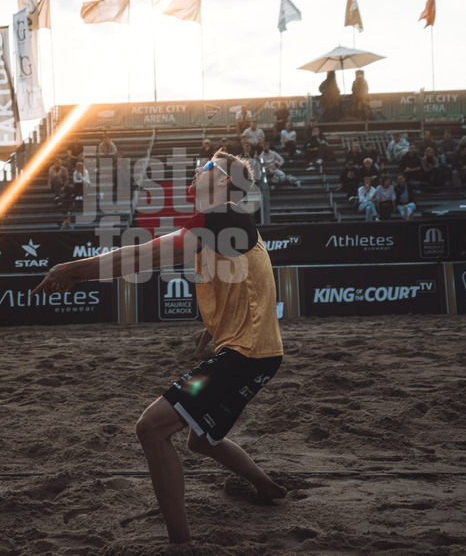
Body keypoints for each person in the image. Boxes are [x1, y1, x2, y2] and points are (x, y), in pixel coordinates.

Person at [32, 151, 286, 544]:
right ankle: (268, 487)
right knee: (200, 440)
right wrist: (213, 330)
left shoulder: (222, 217)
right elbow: (254, 285)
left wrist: (75, 269)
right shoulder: (229, 223)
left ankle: (180, 544)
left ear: (223, 181)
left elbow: (144, 255)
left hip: (246, 355)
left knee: (150, 428)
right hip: (253, 352)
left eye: (207, 166)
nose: (197, 169)